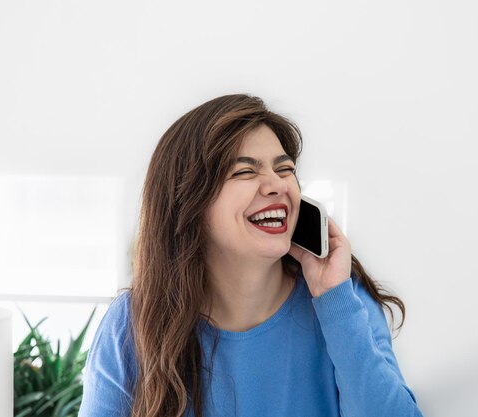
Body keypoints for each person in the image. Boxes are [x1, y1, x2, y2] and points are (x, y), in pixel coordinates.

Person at [78, 94, 424, 417]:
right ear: (189, 203)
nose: (276, 184)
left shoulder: (344, 300)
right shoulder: (131, 324)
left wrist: (334, 299)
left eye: (284, 169)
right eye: (245, 171)